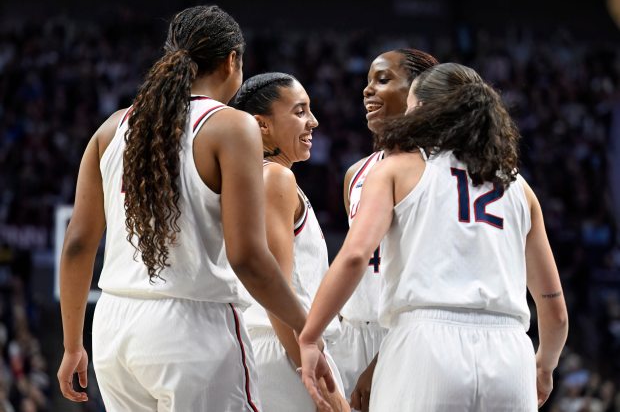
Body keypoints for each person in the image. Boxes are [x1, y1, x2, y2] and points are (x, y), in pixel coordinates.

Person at [57, 6, 312, 411]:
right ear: (232, 61)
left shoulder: (112, 127)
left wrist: (73, 345)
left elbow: (76, 245)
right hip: (194, 327)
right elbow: (246, 256)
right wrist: (306, 330)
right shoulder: (231, 125)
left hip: (113, 329)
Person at [299, 63, 569, 411]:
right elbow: (554, 309)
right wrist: (545, 365)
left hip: (425, 346)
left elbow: (354, 257)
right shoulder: (519, 187)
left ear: (425, 111)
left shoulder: (395, 168)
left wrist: (309, 337)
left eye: (410, 107)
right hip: (509, 352)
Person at [231, 73, 349, 412]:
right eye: (300, 111)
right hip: (284, 350)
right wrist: (328, 391)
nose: (313, 121)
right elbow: (275, 294)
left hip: (283, 349)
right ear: (262, 125)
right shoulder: (275, 178)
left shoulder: (258, 177)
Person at [330, 48, 438, 408]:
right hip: (352, 334)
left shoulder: (438, 170)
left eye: (383, 79)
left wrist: (381, 360)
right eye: (367, 82)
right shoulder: (356, 173)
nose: (367, 90)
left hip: (406, 332)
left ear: (417, 92)